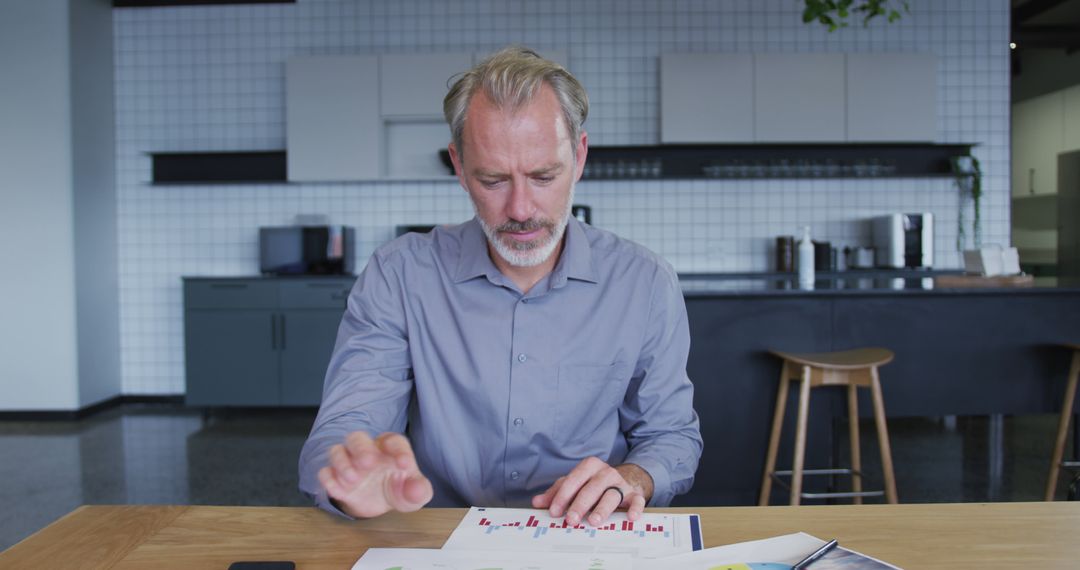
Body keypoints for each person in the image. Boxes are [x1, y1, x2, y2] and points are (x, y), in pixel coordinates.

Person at [298, 46, 702, 527]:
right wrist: (351, 479)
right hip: (436, 541)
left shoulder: (645, 282)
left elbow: (672, 435)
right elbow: (347, 425)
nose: (520, 209)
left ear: (579, 157)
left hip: (587, 539)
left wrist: (634, 477)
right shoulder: (399, 275)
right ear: (459, 168)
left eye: (543, 176)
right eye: (492, 180)